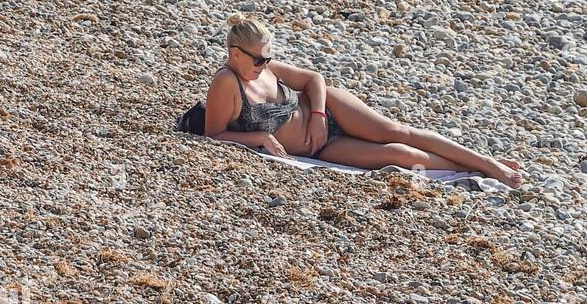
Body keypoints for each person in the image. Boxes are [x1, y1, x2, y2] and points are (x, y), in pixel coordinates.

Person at [195, 15, 522, 186]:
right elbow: (214, 135)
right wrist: (260, 136)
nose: (264, 66)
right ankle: (475, 169)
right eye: (258, 61)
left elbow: (313, 79)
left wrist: (319, 114)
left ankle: (487, 163)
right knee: (398, 155)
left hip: (326, 112)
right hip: (317, 148)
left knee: (397, 131)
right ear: (235, 54)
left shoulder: (267, 68)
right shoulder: (226, 83)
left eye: (268, 58)